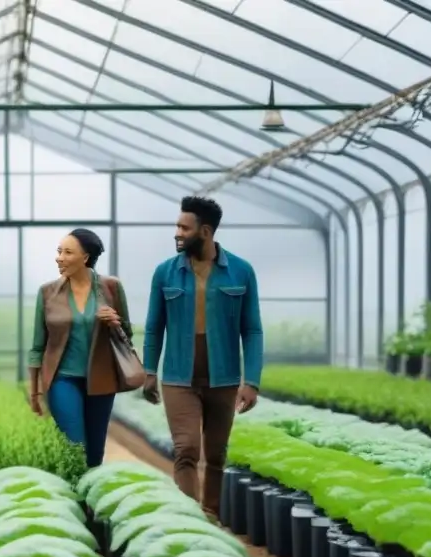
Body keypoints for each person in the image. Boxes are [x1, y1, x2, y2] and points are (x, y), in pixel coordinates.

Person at [142, 195, 263, 515]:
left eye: (184, 227)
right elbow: (154, 327)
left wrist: (251, 381)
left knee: (216, 455)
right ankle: (189, 519)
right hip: (179, 377)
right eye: (177, 226)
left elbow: (252, 331)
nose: (177, 233)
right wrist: (149, 371)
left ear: (205, 231)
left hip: (223, 378)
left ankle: (211, 516)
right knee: (186, 450)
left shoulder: (241, 271)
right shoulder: (165, 273)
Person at [28, 228, 134, 468]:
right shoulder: (47, 292)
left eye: (67, 252)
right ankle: (73, 498)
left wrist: (114, 322)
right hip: (62, 379)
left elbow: (126, 334)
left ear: (85, 258)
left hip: (102, 380)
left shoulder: (111, 288)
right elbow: (37, 346)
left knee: (96, 452)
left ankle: (87, 504)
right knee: (75, 445)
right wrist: (34, 391)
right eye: (58, 251)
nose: (59, 258)